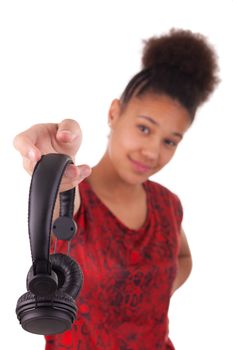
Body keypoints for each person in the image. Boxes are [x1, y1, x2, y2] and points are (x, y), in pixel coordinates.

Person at [14, 28, 219, 350]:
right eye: (143, 128)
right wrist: (57, 167)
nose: (152, 151)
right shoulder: (76, 201)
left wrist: (149, 295)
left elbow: (182, 256)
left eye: (169, 141)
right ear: (114, 113)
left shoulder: (168, 203)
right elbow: (62, 202)